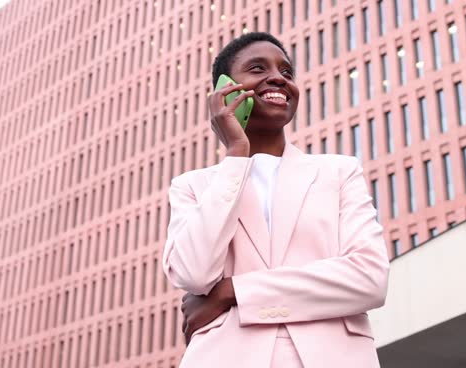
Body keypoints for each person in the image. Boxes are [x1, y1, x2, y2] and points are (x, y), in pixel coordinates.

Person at [162, 32, 390, 368]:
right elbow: (194, 274)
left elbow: (369, 280)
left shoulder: (339, 173)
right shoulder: (193, 186)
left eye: (287, 72)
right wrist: (236, 155)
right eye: (257, 68)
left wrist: (231, 292)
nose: (277, 78)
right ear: (224, 89)